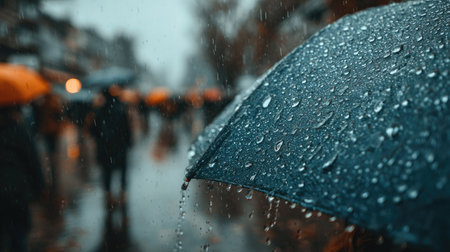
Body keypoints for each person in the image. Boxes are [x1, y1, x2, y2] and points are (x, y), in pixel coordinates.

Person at [0, 106, 45, 252]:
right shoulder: (18, 131)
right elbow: (32, 161)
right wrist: (39, 188)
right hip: (17, 191)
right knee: (18, 237)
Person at [90, 87, 132, 208]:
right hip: (120, 147)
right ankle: (123, 194)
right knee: (122, 170)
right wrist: (128, 142)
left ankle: (108, 195)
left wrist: (100, 138)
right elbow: (126, 130)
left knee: (107, 172)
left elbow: (93, 130)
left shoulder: (98, 112)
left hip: (105, 147)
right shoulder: (120, 111)